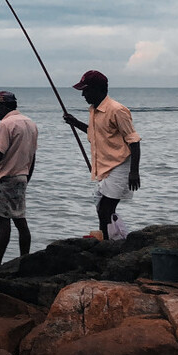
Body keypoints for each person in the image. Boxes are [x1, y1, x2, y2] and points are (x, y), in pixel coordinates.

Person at [62, 70, 141, 239]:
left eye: (86, 90)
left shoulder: (117, 110)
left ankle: (108, 241)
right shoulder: (94, 110)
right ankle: (109, 238)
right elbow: (96, 134)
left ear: (98, 90)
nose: (83, 94)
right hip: (104, 167)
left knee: (105, 209)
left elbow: (134, 141)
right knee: (102, 209)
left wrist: (134, 172)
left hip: (120, 165)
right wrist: (75, 123)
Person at [0, 91, 38, 266]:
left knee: (3, 222)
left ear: (3, 106)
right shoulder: (30, 123)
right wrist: (27, 176)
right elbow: (32, 155)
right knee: (20, 220)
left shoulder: (6, 124)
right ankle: (25, 259)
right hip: (22, 176)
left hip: (5, 177)